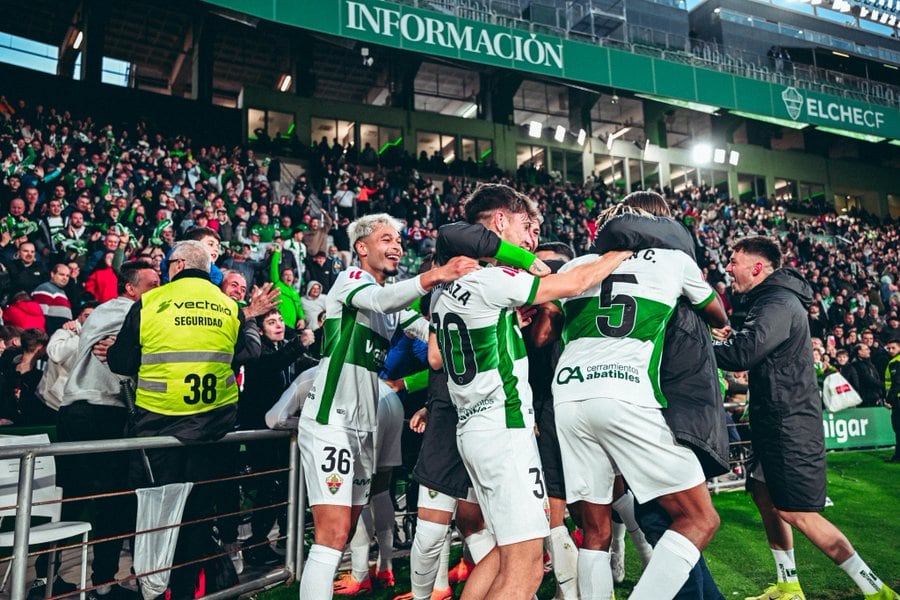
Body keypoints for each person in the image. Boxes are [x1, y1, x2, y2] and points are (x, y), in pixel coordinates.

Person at [429, 183, 629, 600]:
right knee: (527, 569)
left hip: (474, 429)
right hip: (502, 432)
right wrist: (622, 249)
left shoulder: (450, 287)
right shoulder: (494, 278)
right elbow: (574, 283)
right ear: (500, 221)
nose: (531, 237)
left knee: (504, 553)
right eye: (525, 225)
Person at [543, 201, 727, 600]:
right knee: (700, 518)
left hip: (569, 396)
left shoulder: (579, 264)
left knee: (595, 532)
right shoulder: (674, 260)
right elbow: (718, 314)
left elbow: (545, 332)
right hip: (626, 392)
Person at [296, 213, 479, 600]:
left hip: (363, 428)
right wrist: (434, 275)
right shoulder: (351, 280)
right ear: (362, 248)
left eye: (398, 240)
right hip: (332, 423)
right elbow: (380, 299)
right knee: (330, 536)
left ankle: (366, 571)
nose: (396, 246)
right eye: (385, 239)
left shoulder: (391, 301)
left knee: (343, 531)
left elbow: (431, 331)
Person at [712, 236, 898, 600]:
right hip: (773, 420)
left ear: (757, 267)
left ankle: (876, 590)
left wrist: (705, 344)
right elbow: (757, 346)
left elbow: (743, 353)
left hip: (789, 425)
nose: (728, 268)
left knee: (798, 512)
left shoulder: (777, 301)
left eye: (734, 261)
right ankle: (788, 585)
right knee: (764, 496)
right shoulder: (769, 301)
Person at [107, 240, 248, 599]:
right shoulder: (230, 307)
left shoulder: (151, 302)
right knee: (199, 516)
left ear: (179, 264)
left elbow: (121, 362)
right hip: (212, 426)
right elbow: (239, 356)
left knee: (156, 520)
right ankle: (189, 591)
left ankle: (155, 591)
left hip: (160, 425)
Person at [57, 261, 159, 598]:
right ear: (131, 288)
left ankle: (54, 580)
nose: (160, 289)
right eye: (153, 283)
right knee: (111, 500)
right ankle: (102, 584)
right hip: (99, 411)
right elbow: (132, 347)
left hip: (78, 411)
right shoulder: (125, 309)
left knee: (74, 500)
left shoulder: (109, 312)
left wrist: (124, 348)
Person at [884, 336, 900, 463]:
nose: (890, 350)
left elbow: (897, 382)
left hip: (898, 399)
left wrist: (889, 399)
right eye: (888, 348)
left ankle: (898, 456)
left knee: (898, 428)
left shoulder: (896, 362)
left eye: (893, 348)